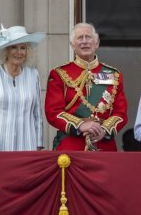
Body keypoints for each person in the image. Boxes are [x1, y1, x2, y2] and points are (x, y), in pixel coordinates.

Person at [45, 23, 128, 151]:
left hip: (104, 144)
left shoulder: (114, 75)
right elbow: (53, 112)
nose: (84, 42)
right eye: (80, 38)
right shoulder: (59, 74)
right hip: (71, 144)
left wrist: (104, 130)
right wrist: (81, 125)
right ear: (72, 45)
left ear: (97, 43)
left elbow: (121, 113)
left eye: (88, 37)